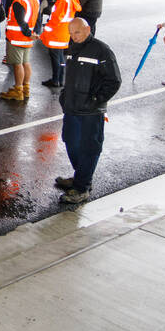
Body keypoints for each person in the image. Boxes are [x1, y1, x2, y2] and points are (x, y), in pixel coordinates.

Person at [57, 18, 121, 204]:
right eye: (70, 33)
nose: (73, 36)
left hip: (91, 113)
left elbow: (114, 81)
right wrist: (64, 97)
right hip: (71, 108)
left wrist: (95, 100)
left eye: (77, 32)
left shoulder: (102, 50)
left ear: (87, 29)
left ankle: (82, 187)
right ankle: (81, 177)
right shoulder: (72, 48)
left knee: (89, 148)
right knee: (71, 142)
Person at [0, 0, 39, 101]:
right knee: (25, 62)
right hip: (27, 37)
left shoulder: (19, 1)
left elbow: (21, 21)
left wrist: (27, 33)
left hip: (17, 37)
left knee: (17, 64)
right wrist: (32, 33)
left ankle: (18, 90)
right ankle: (26, 89)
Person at [40, 0, 80, 88]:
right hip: (64, 32)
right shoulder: (71, 0)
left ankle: (55, 80)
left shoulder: (62, 1)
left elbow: (56, 19)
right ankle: (60, 79)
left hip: (56, 33)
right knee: (61, 57)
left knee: (55, 58)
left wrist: (46, 29)